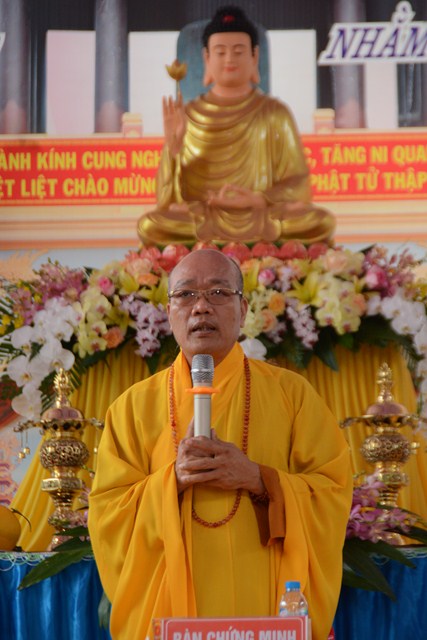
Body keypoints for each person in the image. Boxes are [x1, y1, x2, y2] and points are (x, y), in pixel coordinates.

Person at [88, 248, 353, 640]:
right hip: (170, 608)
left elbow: (332, 491)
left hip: (263, 599)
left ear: (243, 310)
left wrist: (259, 479)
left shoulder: (292, 394)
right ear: (169, 312)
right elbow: (108, 515)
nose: (201, 307)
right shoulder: (132, 407)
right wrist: (173, 481)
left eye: (218, 293)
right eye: (186, 294)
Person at [137, 6, 336, 247]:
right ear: (207, 58)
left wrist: (258, 199)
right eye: (220, 52)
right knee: (152, 224)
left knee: (318, 221)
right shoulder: (188, 115)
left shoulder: (275, 113)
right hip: (206, 215)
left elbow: (298, 183)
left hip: (260, 213)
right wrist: (174, 147)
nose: (230, 59)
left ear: (254, 57)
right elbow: (167, 200)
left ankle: (225, 243)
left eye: (239, 51)